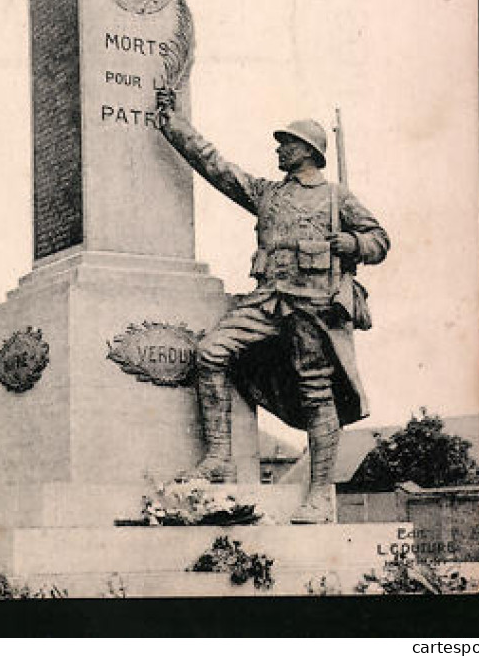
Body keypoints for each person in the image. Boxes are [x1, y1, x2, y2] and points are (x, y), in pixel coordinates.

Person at [155, 89, 390, 523]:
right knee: (211, 352)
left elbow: (379, 241)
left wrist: (353, 242)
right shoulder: (268, 194)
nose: (279, 149)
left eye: (287, 144)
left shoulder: (338, 198)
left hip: (314, 308)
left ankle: (319, 495)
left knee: (317, 395)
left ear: (308, 152)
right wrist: (172, 125)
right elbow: (216, 166)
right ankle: (220, 458)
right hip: (267, 301)